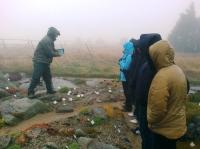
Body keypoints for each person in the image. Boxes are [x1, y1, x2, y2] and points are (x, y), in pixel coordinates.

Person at [147, 40, 188, 149]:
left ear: (157, 56)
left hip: (163, 129)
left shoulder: (162, 76)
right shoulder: (177, 70)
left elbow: (158, 109)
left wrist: (150, 119)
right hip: (176, 125)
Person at [134, 33, 162, 148]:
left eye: (141, 47)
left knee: (151, 140)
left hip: (150, 110)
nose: (139, 50)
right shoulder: (147, 63)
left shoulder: (161, 67)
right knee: (145, 138)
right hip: (143, 108)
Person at [28, 27, 61, 98]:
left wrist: (57, 51)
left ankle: (50, 90)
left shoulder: (49, 40)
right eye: (56, 35)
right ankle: (30, 92)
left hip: (45, 62)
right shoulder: (46, 40)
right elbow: (50, 53)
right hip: (39, 61)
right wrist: (59, 54)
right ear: (52, 34)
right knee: (36, 77)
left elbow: (52, 50)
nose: (56, 37)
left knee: (48, 77)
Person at [118, 41, 135, 112]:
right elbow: (121, 60)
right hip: (124, 76)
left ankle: (128, 107)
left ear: (128, 48)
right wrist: (121, 61)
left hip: (126, 77)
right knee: (126, 92)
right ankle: (127, 104)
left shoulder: (129, 56)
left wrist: (120, 62)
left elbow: (125, 67)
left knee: (127, 92)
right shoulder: (126, 54)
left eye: (125, 47)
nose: (124, 49)